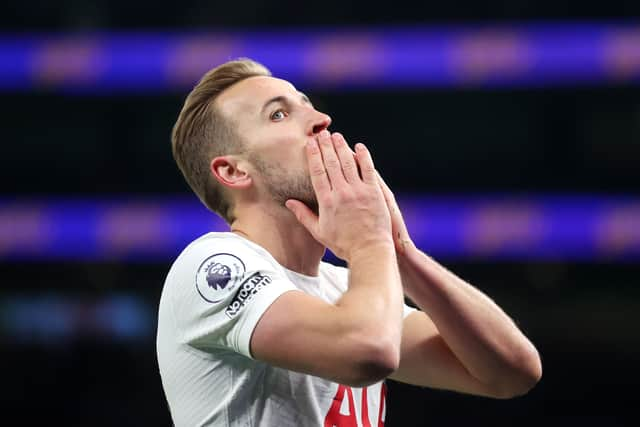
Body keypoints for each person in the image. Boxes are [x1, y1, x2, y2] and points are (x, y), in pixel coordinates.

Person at [156, 58, 542, 427]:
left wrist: (400, 253)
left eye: (307, 105)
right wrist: (369, 244)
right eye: (279, 114)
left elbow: (511, 372)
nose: (321, 120)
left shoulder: (346, 290)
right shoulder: (212, 263)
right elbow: (368, 351)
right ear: (233, 171)